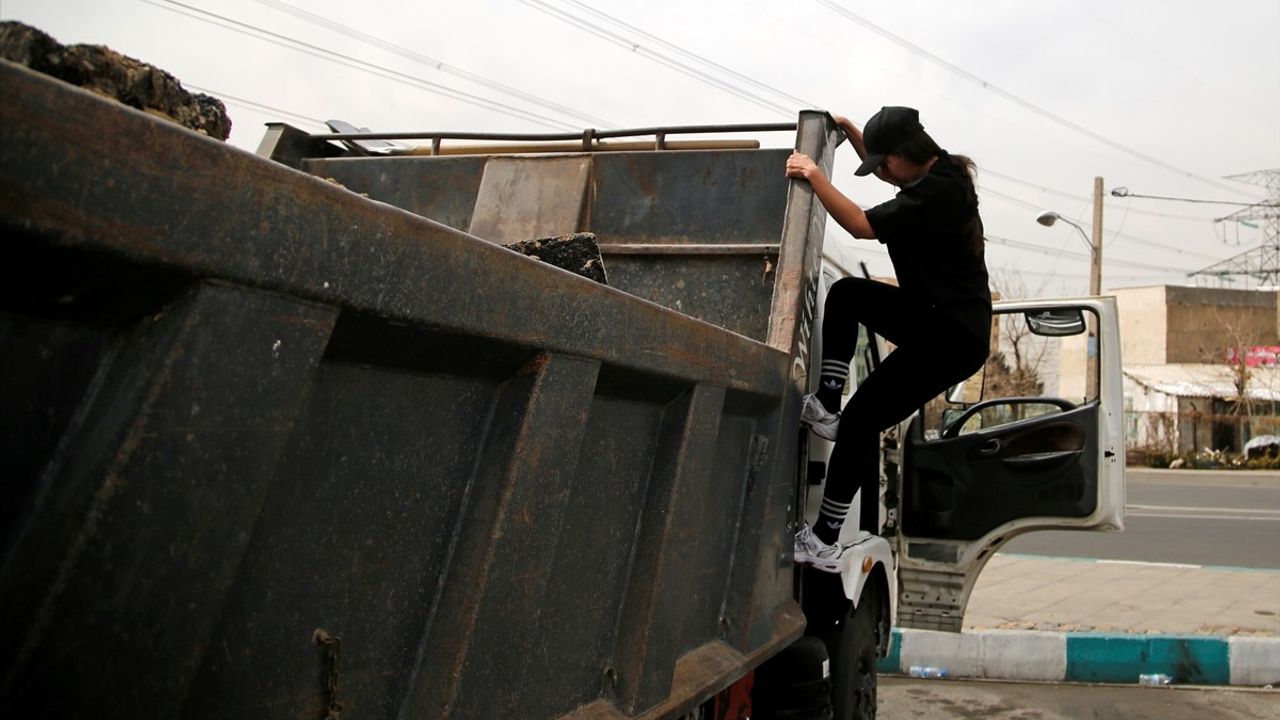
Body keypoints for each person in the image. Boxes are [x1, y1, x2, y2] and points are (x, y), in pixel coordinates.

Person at [784, 106, 991, 572]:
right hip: (934, 316)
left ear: (905, 155)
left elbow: (859, 224)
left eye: (882, 163)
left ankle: (824, 540)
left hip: (950, 335)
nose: (879, 172)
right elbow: (888, 174)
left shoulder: (938, 195)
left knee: (862, 423)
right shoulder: (937, 172)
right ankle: (829, 403)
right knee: (847, 295)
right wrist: (858, 136)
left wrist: (815, 176)